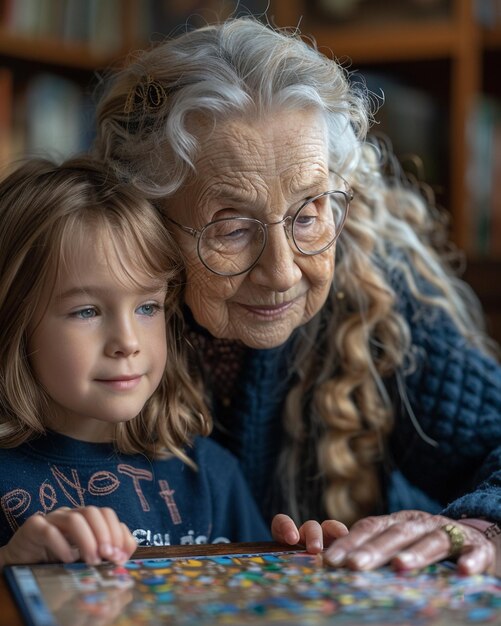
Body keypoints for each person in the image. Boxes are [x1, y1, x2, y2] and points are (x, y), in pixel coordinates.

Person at [94, 17, 501, 575]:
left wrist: (479, 526)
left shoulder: (377, 296)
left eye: (308, 213)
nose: (282, 273)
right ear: (147, 223)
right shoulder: (84, 316)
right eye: (231, 228)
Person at [0, 156, 345, 569]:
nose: (127, 343)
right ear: (14, 320)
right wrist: (8, 566)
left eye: (147, 307)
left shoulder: (210, 476)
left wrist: (302, 568)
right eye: (87, 311)